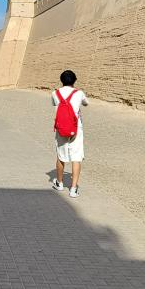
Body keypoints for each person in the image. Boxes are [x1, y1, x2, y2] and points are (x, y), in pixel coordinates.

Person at [51, 69, 87, 198]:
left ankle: (59, 183)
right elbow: (86, 103)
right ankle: (73, 189)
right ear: (74, 80)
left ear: (61, 81)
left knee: (61, 156)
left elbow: (55, 106)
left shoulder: (55, 93)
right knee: (76, 158)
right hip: (76, 129)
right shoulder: (79, 93)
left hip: (61, 128)